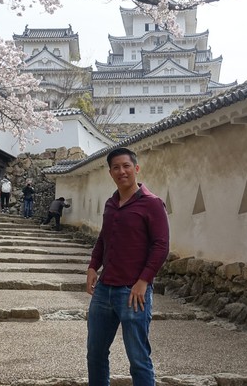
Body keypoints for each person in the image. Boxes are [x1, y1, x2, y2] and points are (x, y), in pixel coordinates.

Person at [85, 147, 169, 386]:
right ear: (110, 172)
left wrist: (144, 281)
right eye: (116, 167)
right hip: (104, 290)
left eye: (126, 166)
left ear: (136, 169)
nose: (121, 171)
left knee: (138, 358)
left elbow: (161, 246)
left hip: (133, 293)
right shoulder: (111, 204)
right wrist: (93, 266)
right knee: (95, 353)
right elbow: (104, 238)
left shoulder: (152, 204)